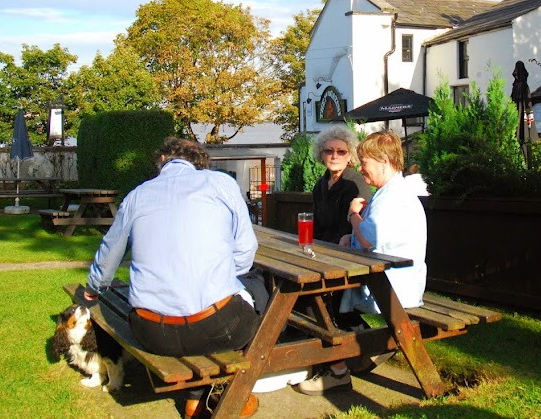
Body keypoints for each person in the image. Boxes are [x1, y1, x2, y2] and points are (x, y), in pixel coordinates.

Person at [84, 137, 261, 418]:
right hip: (219, 328)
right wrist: (222, 274)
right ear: (200, 164)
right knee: (259, 288)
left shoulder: (137, 195)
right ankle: (237, 389)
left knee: (216, 306)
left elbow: (108, 254)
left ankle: (196, 397)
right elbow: (246, 252)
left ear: (162, 161)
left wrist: (94, 288)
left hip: (153, 333)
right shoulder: (221, 184)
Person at [296, 130, 427, 396]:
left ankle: (339, 369)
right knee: (321, 300)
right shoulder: (388, 193)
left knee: (320, 301)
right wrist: (349, 236)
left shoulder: (392, 197)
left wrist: (353, 215)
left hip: (391, 285)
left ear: (383, 162)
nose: (362, 168)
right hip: (384, 276)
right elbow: (370, 236)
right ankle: (355, 357)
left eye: (364, 161)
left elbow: (368, 236)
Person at [311, 125, 372, 244]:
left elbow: (363, 226)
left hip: (347, 250)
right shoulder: (320, 185)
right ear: (321, 155)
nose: (334, 156)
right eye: (329, 151)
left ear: (350, 156)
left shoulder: (356, 183)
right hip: (321, 247)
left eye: (341, 152)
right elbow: (316, 225)